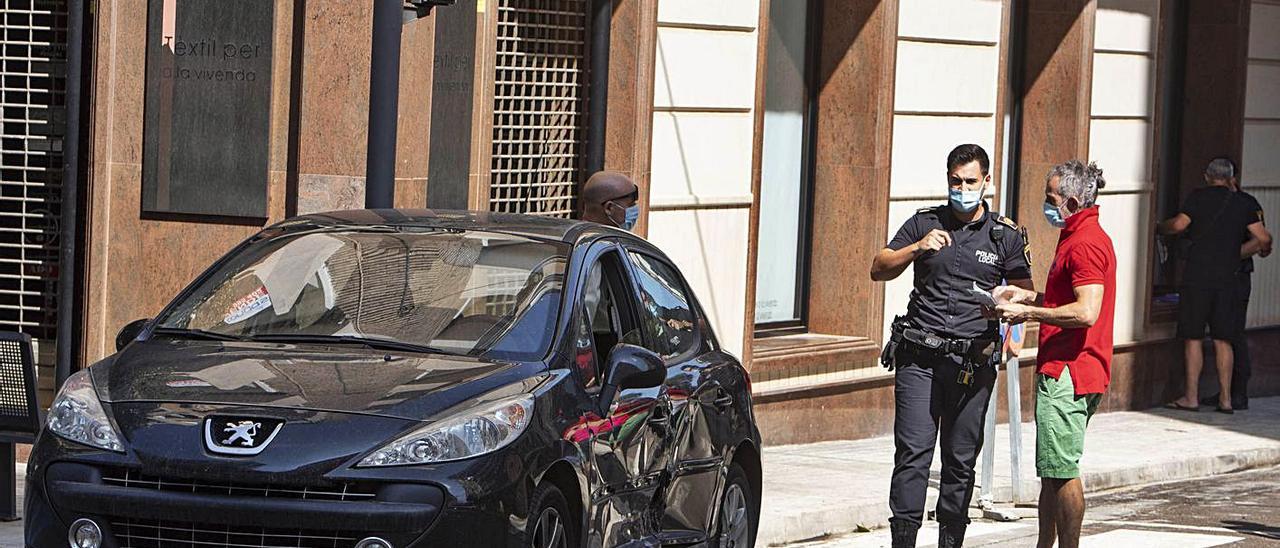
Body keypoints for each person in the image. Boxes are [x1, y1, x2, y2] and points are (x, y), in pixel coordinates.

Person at [870, 144, 1034, 548]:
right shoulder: (925, 222)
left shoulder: (1005, 235)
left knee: (960, 461)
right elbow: (879, 267)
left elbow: (1027, 293)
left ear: (986, 182)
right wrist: (916, 249)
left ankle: (950, 541)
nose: (962, 189)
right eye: (955, 181)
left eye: (970, 181)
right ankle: (903, 541)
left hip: (971, 364)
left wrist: (1009, 313)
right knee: (912, 455)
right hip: (919, 359)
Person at [993, 160, 1115, 548]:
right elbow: (1068, 301)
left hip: (1070, 371)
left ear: (1073, 201)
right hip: (1066, 367)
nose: (1046, 206)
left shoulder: (1086, 242)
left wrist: (1026, 312)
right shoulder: (1078, 234)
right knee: (1051, 468)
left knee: (1061, 469)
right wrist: (1030, 297)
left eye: (1051, 198)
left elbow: (1085, 311)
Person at [1157, 158, 1272, 413]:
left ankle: (1191, 397)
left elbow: (1178, 225)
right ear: (1231, 178)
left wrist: (1159, 227)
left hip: (1197, 277)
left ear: (1207, 176)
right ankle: (1226, 400)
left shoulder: (1198, 197)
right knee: (1224, 339)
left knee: (1193, 337)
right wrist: (1239, 253)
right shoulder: (1243, 202)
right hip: (1229, 279)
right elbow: (1263, 238)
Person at [1193, 159, 1272, 411]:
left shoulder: (1246, 204)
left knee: (1232, 333)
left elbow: (1261, 242)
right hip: (1224, 275)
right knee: (1226, 333)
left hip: (1236, 275)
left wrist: (1232, 254)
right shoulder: (1233, 202)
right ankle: (1228, 392)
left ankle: (1237, 392)